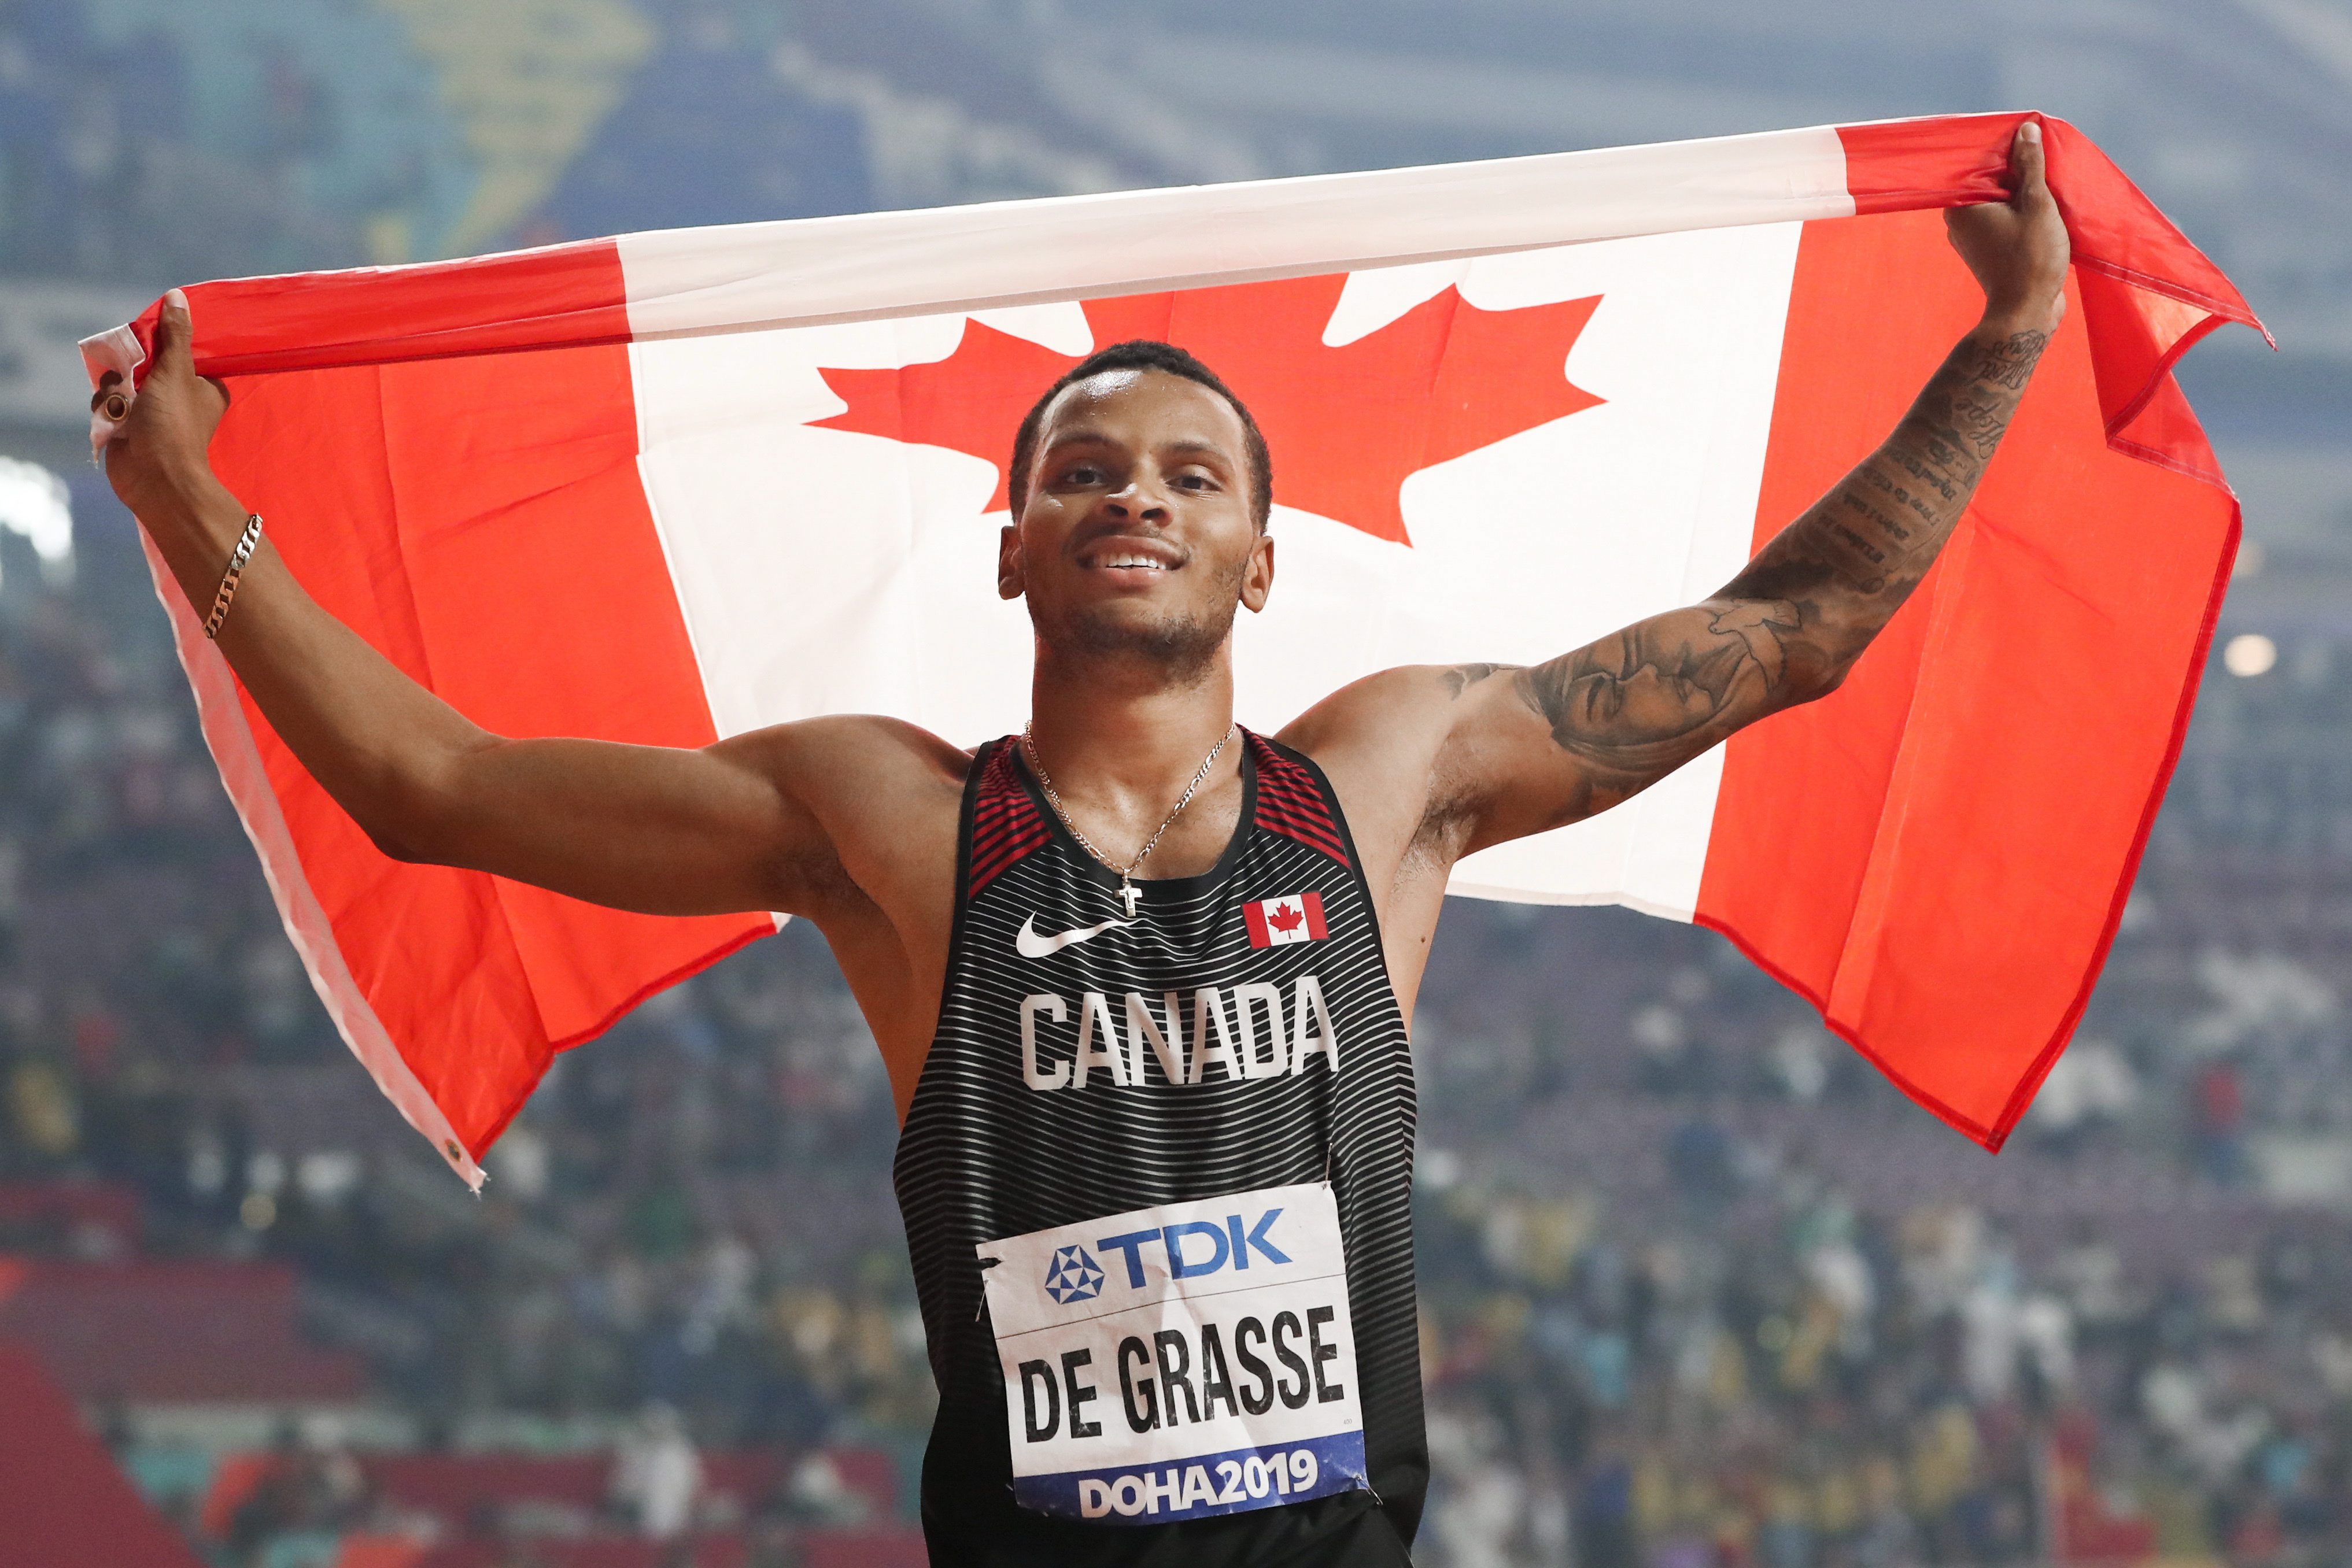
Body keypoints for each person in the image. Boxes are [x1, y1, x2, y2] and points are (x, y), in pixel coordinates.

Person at [97, 124, 2069, 1567]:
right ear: (1014, 542)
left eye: (1192, 477)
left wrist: (2003, 342)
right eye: (1085, 472)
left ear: (1261, 558)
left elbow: (1792, 638)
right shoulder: (893, 821)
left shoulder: (1385, 784)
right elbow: (435, 788)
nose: (1139, 497)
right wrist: (187, 506)